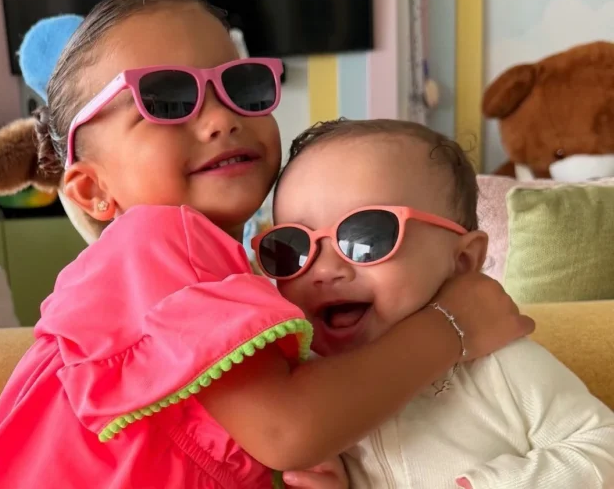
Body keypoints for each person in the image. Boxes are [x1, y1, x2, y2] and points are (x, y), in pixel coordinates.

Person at [0, 0, 533, 489]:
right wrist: (452, 325)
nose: (221, 117)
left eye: (241, 86)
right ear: (94, 191)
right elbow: (289, 430)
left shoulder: (244, 276)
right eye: (166, 99)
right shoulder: (155, 240)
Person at [256, 118, 614, 488]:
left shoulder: (498, 364)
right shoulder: (310, 394)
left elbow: (602, 447)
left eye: (367, 237)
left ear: (462, 261)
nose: (325, 269)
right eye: (292, 249)